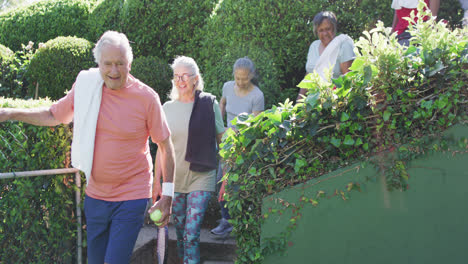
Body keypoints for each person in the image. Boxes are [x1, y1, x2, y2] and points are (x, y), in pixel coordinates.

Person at [0, 31, 176, 264]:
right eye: (108, 64)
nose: (114, 71)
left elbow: (165, 146)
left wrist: (168, 195)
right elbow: (54, 115)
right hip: (96, 194)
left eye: (120, 64)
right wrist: (10, 113)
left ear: (129, 63)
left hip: (132, 194)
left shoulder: (146, 98)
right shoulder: (86, 86)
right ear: (98, 64)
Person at [155, 56, 224, 264]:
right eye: (176, 76)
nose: (180, 80)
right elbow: (161, 149)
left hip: (201, 177)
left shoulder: (209, 104)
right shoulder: (166, 108)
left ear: (195, 79)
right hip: (174, 180)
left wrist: (228, 176)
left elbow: (223, 142)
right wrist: (156, 182)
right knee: (182, 232)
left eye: (185, 76)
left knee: (192, 232)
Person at [211, 57, 265, 236]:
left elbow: (256, 126)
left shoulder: (257, 96)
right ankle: (226, 219)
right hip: (226, 143)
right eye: (237, 78)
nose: (241, 82)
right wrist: (220, 126)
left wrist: (238, 135)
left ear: (252, 76)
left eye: (245, 78)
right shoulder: (227, 87)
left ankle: (240, 223)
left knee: (239, 185)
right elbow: (222, 104)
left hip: (244, 146)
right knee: (222, 182)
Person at [297, 11, 355, 101]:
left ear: (334, 28)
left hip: (336, 102)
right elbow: (308, 75)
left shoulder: (343, 45)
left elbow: (348, 79)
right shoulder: (314, 46)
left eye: (328, 29)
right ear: (316, 32)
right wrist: (298, 103)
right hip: (313, 102)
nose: (325, 33)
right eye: (321, 30)